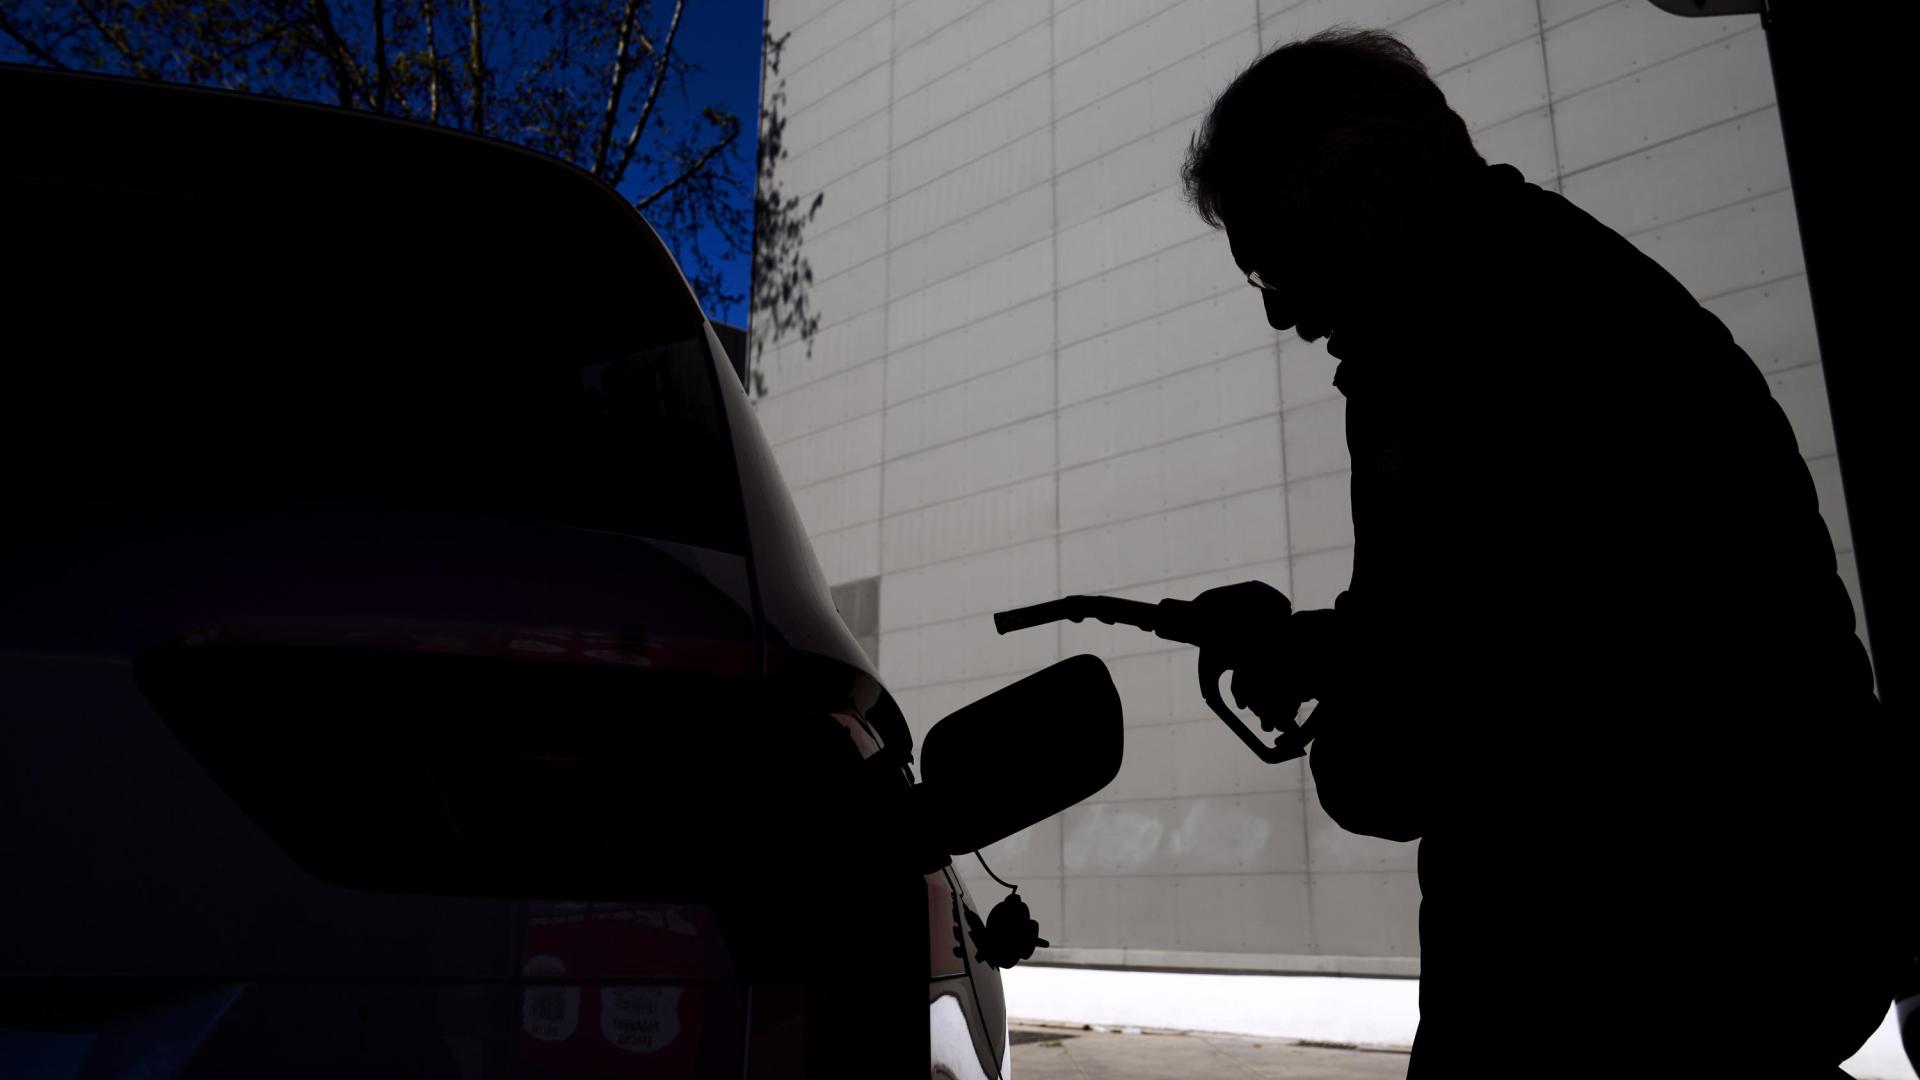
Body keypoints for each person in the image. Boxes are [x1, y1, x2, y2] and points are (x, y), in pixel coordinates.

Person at [1177, 28, 1900, 1077]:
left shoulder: (1467, 365)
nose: (1284, 311)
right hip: (1746, 944)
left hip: (1628, 975)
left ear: (1375, 192)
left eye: (1279, 255)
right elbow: (1550, 630)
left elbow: (1430, 737)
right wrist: (1328, 646)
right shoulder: (1562, 304)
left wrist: (1346, 691)